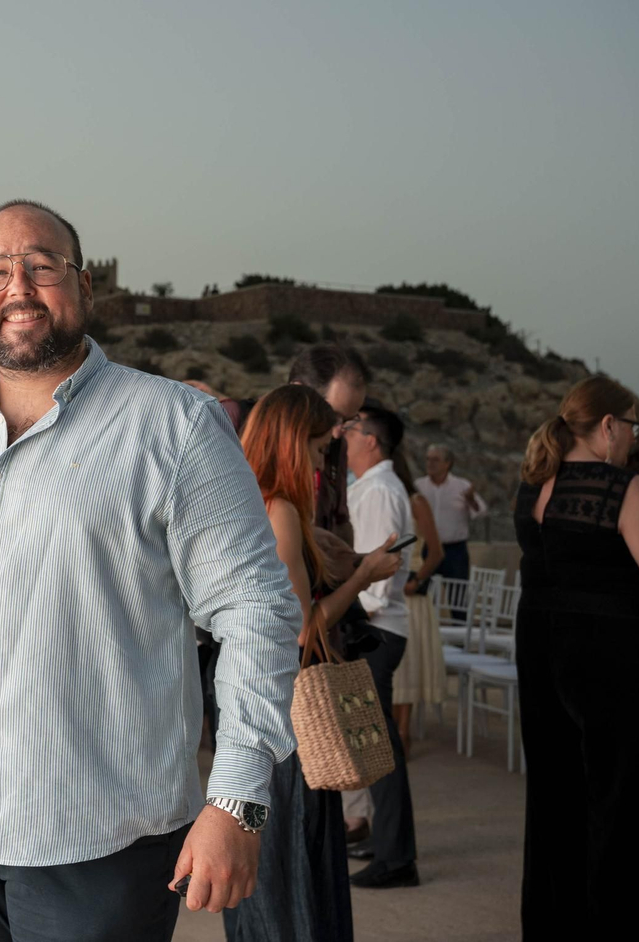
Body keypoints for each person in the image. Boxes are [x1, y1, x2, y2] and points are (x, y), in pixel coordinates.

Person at [0, 200, 302, 940]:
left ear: (85, 288)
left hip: (101, 840)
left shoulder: (173, 427)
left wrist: (238, 797)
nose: (17, 285)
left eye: (42, 265)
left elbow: (255, 611)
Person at [514, 376, 639, 939]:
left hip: (541, 655)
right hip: (611, 668)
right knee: (621, 816)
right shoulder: (621, 489)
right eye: (631, 425)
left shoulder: (532, 486)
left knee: (554, 807)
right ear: (607, 426)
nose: (632, 436)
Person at [225, 385, 402, 942]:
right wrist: (363, 576)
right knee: (290, 860)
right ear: (291, 442)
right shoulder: (278, 507)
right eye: (315, 446)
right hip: (285, 710)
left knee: (271, 859)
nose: (321, 460)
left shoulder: (244, 498)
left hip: (251, 698)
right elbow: (303, 627)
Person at [338, 402, 420, 889]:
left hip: (376, 628)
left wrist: (346, 611)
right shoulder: (373, 488)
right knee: (375, 748)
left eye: (350, 429)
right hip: (379, 627)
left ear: (371, 440)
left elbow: (377, 581)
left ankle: (396, 858)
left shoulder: (379, 493)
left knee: (381, 750)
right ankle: (387, 845)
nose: (342, 436)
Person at [389, 440, 446, 759]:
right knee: (392, 674)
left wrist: (417, 579)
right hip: (386, 589)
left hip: (409, 593)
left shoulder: (416, 502)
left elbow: (436, 552)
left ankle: (404, 733)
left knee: (407, 670)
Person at [288, 344, 372, 542]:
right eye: (332, 415)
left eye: (348, 420)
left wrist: (355, 564)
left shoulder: (337, 447)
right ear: (297, 391)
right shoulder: (237, 427)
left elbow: (340, 519)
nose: (336, 433)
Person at [415, 444, 486, 583]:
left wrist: (471, 501)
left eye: (435, 460)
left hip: (455, 551)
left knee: (457, 597)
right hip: (426, 548)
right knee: (422, 591)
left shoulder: (462, 486)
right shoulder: (418, 486)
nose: (430, 463)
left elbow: (481, 512)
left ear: (448, 463)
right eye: (428, 459)